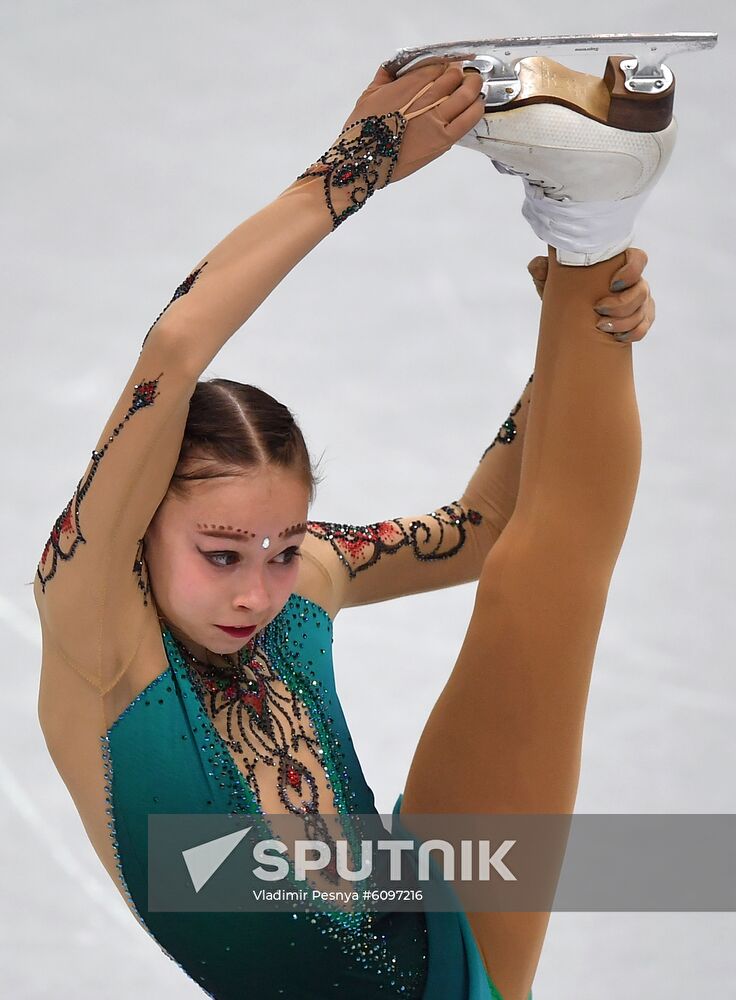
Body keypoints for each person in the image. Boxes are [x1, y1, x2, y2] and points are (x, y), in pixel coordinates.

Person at [34, 56, 660, 1000]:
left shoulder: (310, 582)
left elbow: (484, 523)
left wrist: (578, 330)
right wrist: (355, 165)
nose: (258, 590)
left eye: (284, 549)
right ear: (142, 523)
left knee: (541, 575)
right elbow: (174, 349)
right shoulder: (100, 638)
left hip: (436, 904)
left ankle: (591, 226)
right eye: (220, 554)